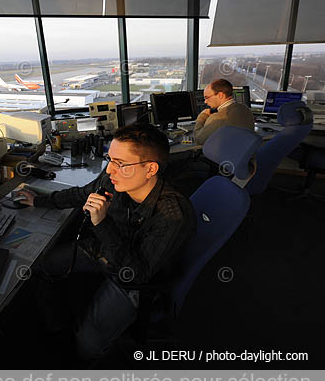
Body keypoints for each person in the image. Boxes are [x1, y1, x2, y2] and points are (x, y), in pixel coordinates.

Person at [18, 123, 196, 362]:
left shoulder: (173, 214)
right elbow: (83, 193)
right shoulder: (116, 179)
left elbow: (136, 273)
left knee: (87, 346)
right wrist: (41, 201)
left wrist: (102, 224)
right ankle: (57, 329)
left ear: (150, 169)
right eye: (110, 159)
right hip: (103, 250)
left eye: (120, 163)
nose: (110, 170)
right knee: (42, 267)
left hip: (131, 277)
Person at [194, 79, 254, 145]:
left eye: (207, 97)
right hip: (244, 152)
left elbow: (199, 139)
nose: (205, 101)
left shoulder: (217, 118)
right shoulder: (246, 109)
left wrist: (202, 116)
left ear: (220, 95)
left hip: (225, 154)